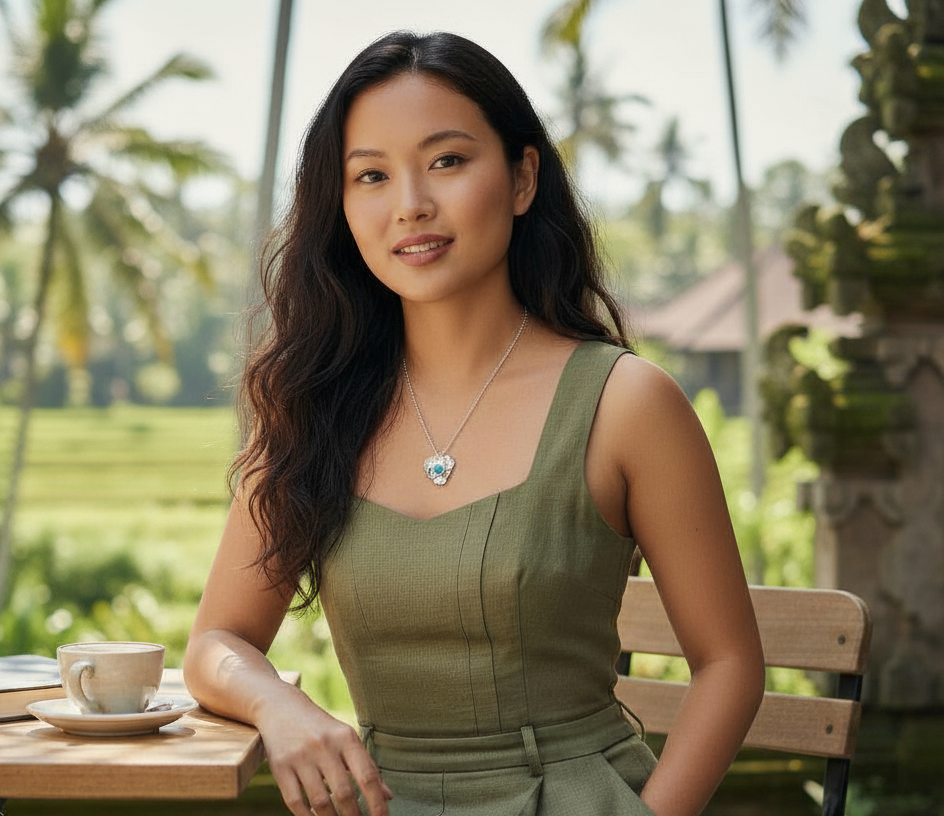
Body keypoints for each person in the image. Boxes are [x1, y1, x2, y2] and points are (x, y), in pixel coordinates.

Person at [183, 30, 765, 816]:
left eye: (447, 161)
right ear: (343, 205)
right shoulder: (312, 407)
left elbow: (729, 662)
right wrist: (279, 706)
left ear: (523, 177)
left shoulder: (627, 404)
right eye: (371, 176)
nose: (411, 203)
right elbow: (216, 643)